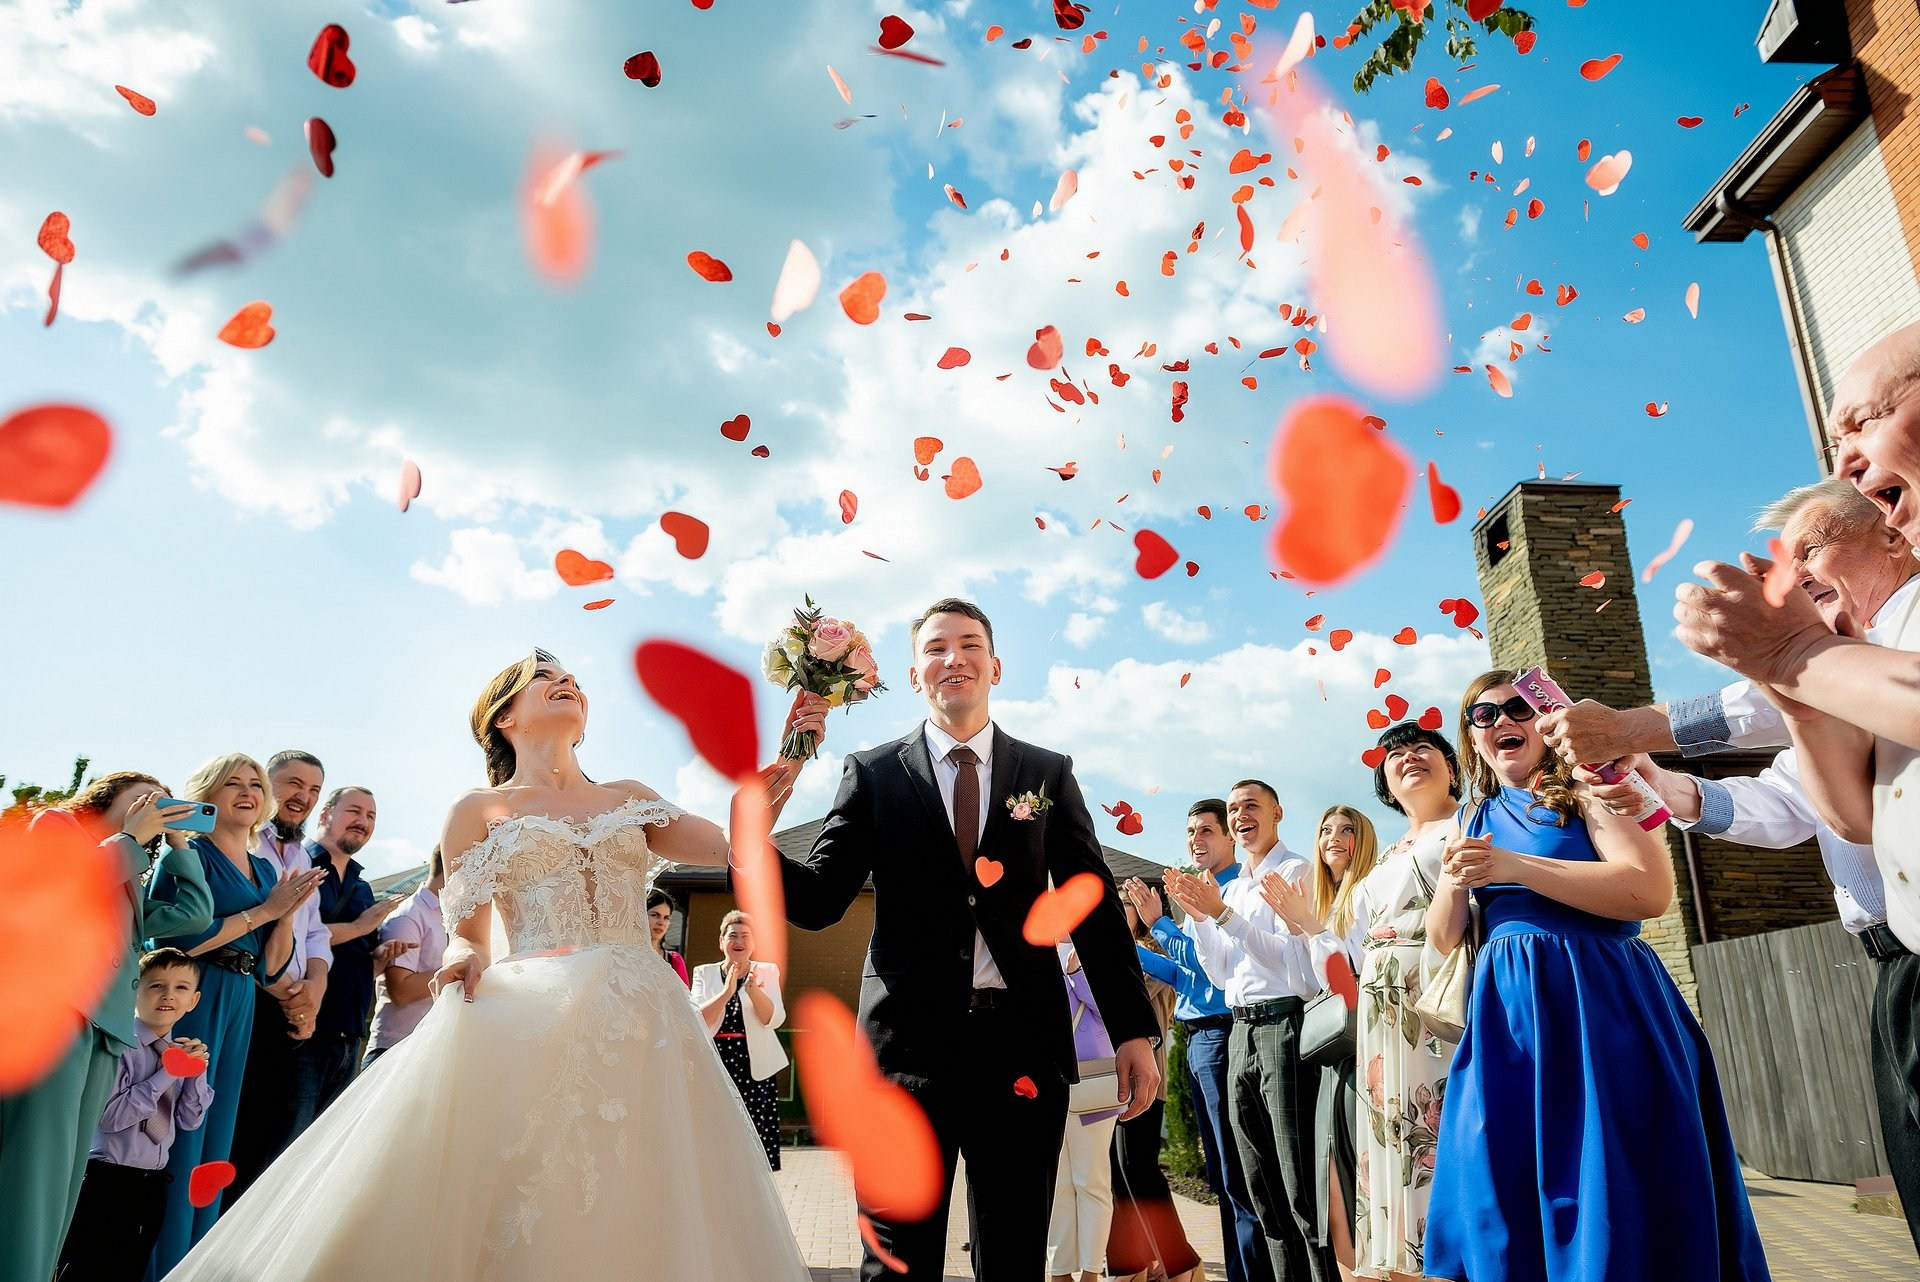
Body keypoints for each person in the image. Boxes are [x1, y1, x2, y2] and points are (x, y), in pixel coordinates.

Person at [159, 649, 811, 1280]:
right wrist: (463, 960)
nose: (568, 683)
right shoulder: (476, 810)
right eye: (547, 677)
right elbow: (467, 931)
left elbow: (734, 845)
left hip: (646, 1019)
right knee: (535, 1179)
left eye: (574, 679)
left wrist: (789, 760)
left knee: (649, 1181)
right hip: (538, 1013)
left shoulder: (630, 797)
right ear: (504, 716)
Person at [762, 597, 1159, 1282]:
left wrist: (1133, 1030)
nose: (955, 659)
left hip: (1022, 1047)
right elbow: (822, 901)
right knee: (895, 1260)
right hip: (905, 1055)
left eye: (970, 644)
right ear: (915, 676)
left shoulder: (1047, 773)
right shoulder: (875, 774)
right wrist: (753, 839)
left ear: (995, 665)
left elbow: (1091, 907)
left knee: (1013, 1258)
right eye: (937, 648)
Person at [1674, 322, 1920, 1254]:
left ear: (1889, 538)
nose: (1800, 573)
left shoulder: (1887, 633)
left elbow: (1735, 719)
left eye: (1864, 421)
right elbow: (1840, 811)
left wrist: (1787, 660)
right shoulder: (1848, 660)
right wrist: (1667, 790)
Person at [1420, 672, 1770, 1281]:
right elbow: (1445, 938)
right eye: (1484, 715)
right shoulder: (1472, 817)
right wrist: (1457, 873)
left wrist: (1513, 865)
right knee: (1499, 1168)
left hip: (1595, 999)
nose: (1503, 722)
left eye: (1519, 708)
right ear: (1471, 736)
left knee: (1604, 1162)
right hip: (1510, 1017)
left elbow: (1648, 889)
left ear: (1547, 722)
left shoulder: (1592, 786)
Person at [1, 776, 212, 1282]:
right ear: (105, 795)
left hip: (103, 1032)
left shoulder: (129, 871)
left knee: (68, 1178)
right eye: (147, 795)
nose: (157, 806)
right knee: (36, 1171)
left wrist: (178, 844)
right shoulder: (54, 825)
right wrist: (132, 838)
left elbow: (194, 914)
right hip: (57, 1017)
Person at [146, 753, 324, 1276]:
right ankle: (162, 1262)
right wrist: (267, 910)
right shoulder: (187, 852)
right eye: (232, 784)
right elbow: (177, 940)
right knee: (179, 1132)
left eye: (254, 784)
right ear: (207, 794)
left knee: (217, 1134)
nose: (247, 792)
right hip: (193, 999)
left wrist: (286, 914)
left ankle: (199, 1261)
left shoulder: (266, 867)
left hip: (243, 998)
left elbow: (271, 968)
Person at [1165, 780, 1337, 1282]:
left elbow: (1298, 970)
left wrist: (1223, 916)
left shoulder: (1298, 871)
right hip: (1240, 1032)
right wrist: (1201, 918)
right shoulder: (1234, 887)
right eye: (1235, 808)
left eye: (1251, 806)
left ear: (1278, 812)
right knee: (1259, 1184)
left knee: (1299, 1183)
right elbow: (1221, 974)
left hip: (1284, 1025)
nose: (1241, 816)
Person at [1316, 725, 1462, 1282]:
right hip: (1381, 1004)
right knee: (1391, 1128)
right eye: (1395, 754)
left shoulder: (1469, 822)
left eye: (1423, 748)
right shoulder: (1392, 850)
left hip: (1433, 989)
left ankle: (1443, 1256)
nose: (1408, 758)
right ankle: (1399, 1261)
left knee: (1436, 1119)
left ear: (1452, 764)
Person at [1124, 801, 1271, 1282]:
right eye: (1190, 831)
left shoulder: (1236, 889)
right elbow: (1191, 979)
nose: (1195, 839)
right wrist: (1130, 953)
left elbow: (1218, 968)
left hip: (1226, 1032)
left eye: (1207, 830)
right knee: (1227, 1176)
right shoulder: (1202, 892)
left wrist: (1160, 923)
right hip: (1202, 1037)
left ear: (1231, 836)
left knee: (1241, 1173)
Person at [1262, 804, 1379, 1280]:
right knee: (1331, 1181)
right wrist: (1299, 927)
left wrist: (1309, 927)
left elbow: (1355, 981)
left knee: (1359, 1182)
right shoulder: (1325, 905)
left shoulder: (1370, 892)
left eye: (1346, 828)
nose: (1334, 836)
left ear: (1363, 838)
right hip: (1332, 1056)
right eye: (1325, 828)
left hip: (1366, 1050)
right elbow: (1307, 986)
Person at [55, 949, 213, 1282]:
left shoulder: (181, 1052)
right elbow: (110, 1117)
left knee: (131, 1271)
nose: (169, 994)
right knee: (87, 1271)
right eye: (156, 985)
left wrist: (194, 1074)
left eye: (181, 988)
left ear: (194, 1000)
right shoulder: (118, 1047)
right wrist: (167, 1073)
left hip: (151, 1185)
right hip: (104, 1182)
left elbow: (189, 1120)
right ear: (135, 990)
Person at [226, 749, 334, 1204]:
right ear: (266, 785)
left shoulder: (304, 857)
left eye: (313, 790)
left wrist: (314, 989)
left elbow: (316, 934)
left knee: (269, 1153)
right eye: (293, 784)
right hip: (246, 1003)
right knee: (235, 1142)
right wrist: (279, 991)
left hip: (292, 1016)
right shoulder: (243, 843)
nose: (303, 797)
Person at [1105, 897, 1203, 1282]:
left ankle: (1182, 1263)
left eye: (1124, 902)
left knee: (1139, 1169)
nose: (1116, 907)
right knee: (1115, 1173)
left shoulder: (1152, 957)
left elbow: (1127, 997)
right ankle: (1135, 1264)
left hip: (1145, 1079)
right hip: (1105, 1078)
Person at [304, 786, 392, 1108]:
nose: (363, 822)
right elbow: (294, 938)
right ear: (325, 815)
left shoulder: (362, 888)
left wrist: (381, 959)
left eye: (370, 816)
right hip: (302, 1035)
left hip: (349, 1039)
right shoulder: (300, 866)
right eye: (354, 811)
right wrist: (360, 927)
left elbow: (357, 960)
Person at [1048, 945, 1124, 1282]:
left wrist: (1077, 973)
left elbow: (1113, 1009)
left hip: (1091, 1081)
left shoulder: (1094, 941)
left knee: (1090, 1181)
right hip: (1043, 1083)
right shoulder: (1028, 942)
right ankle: (1060, 1271)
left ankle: (1092, 1272)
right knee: (1058, 1184)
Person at [691, 909, 788, 1169]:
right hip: (716, 1061)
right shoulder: (704, 973)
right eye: (732, 935)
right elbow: (696, 1019)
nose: (739, 941)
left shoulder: (766, 971)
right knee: (716, 1128)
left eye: (745, 936)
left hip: (754, 1064)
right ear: (721, 941)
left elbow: (774, 1019)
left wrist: (753, 990)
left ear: (754, 943)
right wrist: (726, 992)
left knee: (754, 1136)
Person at [363, 845, 449, 1068]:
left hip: (429, 1050)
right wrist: (457, 970)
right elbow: (401, 991)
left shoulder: (449, 916)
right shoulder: (408, 916)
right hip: (393, 1052)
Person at [648, 888, 691, 986]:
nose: (661, 922)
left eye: (666, 918)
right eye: (655, 915)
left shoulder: (674, 961)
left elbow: (685, 1000)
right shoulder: (621, 957)